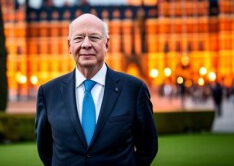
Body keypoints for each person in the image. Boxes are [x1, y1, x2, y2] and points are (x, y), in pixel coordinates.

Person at [35, 13, 158, 166]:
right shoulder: (48, 93)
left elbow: (148, 147)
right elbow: (45, 151)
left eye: (94, 37)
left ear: (106, 44)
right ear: (69, 46)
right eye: (79, 38)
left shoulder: (134, 89)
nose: (86, 44)